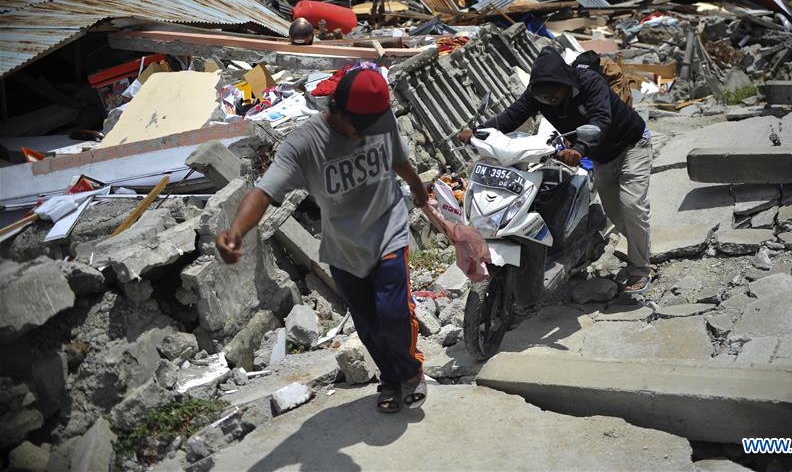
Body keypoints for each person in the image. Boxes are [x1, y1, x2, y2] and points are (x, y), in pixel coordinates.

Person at [216, 66, 431, 413]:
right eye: (361, 128)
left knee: (392, 314)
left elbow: (399, 160)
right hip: (344, 247)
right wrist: (236, 231)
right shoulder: (304, 145)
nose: (368, 134)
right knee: (368, 325)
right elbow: (265, 191)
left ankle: (410, 372)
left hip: (388, 229)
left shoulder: (377, 121)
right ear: (337, 110)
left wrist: (420, 191)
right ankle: (390, 379)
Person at [458, 46, 653, 293]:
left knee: (632, 206)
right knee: (617, 214)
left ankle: (640, 268)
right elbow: (511, 116)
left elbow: (601, 119)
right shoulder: (538, 93)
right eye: (543, 96)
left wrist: (579, 149)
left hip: (631, 144)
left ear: (565, 81)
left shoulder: (589, 82)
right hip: (602, 157)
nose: (549, 99)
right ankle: (642, 246)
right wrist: (477, 132)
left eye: (553, 93)